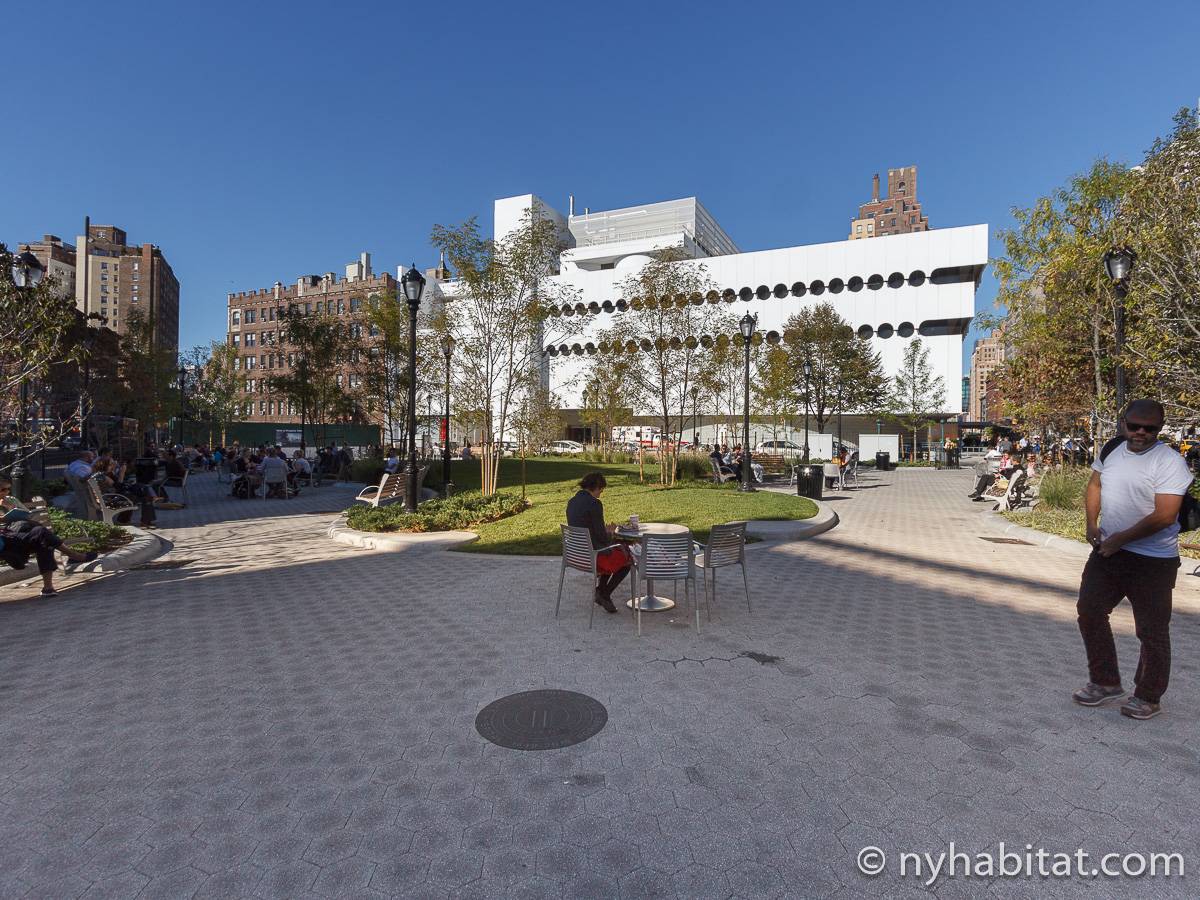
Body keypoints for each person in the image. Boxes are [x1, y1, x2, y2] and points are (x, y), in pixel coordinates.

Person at [1073, 400, 1195, 720]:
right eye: (1134, 425)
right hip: (1109, 552)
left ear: (1160, 428)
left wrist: (1120, 539)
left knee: (1152, 630)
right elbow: (1095, 484)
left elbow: (1165, 515)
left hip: (1153, 561)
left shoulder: (1169, 462)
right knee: (1090, 611)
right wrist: (1091, 524)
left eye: (1149, 428)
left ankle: (1148, 695)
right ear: (1123, 422)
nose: (1141, 432)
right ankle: (1105, 681)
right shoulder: (1113, 448)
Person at [0, 476, 97, 595]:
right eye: (3, 490)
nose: (6, 492)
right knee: (42, 535)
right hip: (6, 536)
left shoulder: (11, 500)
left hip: (19, 531)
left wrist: (11, 508)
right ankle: (72, 556)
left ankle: (48, 586)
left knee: (41, 534)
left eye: (8, 489)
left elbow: (27, 515)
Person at [566, 472, 632, 614]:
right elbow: (602, 538)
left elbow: (591, 530)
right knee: (627, 558)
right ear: (595, 487)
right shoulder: (594, 504)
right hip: (592, 557)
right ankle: (604, 593)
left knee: (613, 551)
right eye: (601, 490)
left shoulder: (572, 502)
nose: (601, 493)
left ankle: (602, 592)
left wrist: (605, 533)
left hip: (576, 555)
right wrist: (611, 532)